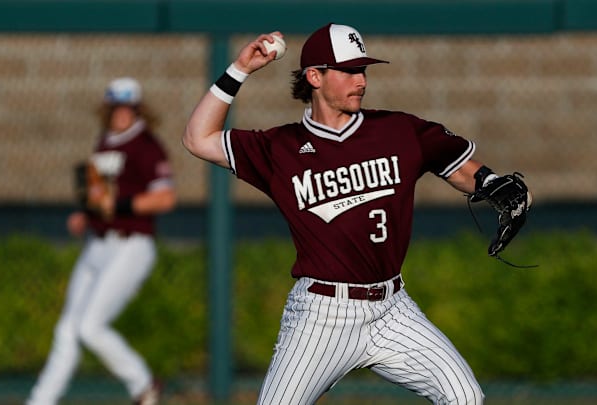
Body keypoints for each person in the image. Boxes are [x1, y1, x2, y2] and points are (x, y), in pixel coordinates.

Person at [184, 23, 529, 405]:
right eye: (348, 71)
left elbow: (461, 168)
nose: (360, 80)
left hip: (393, 310)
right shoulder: (279, 147)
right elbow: (198, 139)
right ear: (315, 76)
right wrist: (239, 70)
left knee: (466, 398)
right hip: (322, 315)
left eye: (363, 70)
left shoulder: (399, 131)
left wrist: (492, 182)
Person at [27, 77, 176, 405]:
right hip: (99, 243)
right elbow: (101, 196)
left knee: (90, 327)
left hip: (131, 245)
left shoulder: (146, 146)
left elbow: (164, 198)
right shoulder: (105, 142)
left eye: (128, 107)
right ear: (107, 108)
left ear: (139, 109)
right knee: (67, 330)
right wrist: (87, 214)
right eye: (116, 107)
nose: (122, 114)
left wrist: (118, 207)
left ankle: (143, 383)